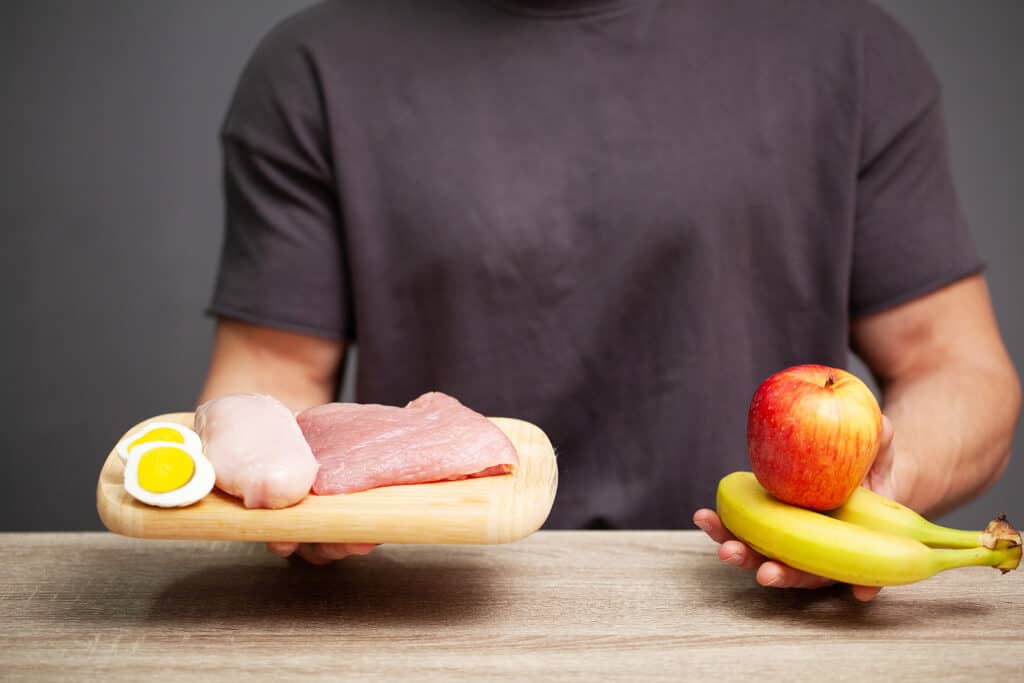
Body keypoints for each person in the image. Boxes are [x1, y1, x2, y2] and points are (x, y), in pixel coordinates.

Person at [197, 0, 1021, 598]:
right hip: (423, 611)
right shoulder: (314, 66)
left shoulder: (852, 48)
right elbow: (269, 375)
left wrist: (873, 492)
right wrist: (296, 509)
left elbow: (958, 367)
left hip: (759, 617)